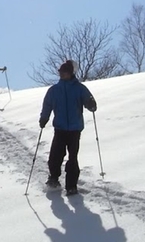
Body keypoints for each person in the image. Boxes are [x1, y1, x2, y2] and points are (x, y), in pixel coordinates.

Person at [39, 60, 97, 196]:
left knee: (73, 158)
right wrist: (44, 118)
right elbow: (47, 105)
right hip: (60, 128)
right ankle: (53, 178)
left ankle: (71, 186)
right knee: (55, 156)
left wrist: (91, 104)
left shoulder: (79, 88)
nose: (62, 75)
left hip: (75, 129)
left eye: (65, 73)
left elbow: (88, 100)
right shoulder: (54, 90)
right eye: (61, 73)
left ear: (70, 73)